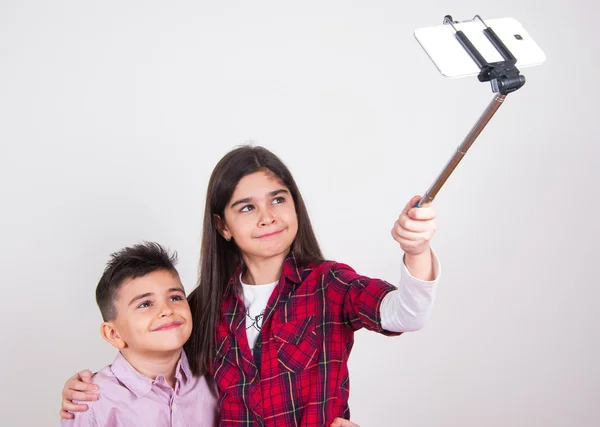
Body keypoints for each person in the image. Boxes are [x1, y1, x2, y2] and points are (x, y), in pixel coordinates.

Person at [61, 145, 440, 426]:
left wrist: (416, 249)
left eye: (278, 199)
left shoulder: (329, 284)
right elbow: (160, 365)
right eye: (246, 207)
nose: (267, 217)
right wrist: (93, 391)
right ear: (222, 226)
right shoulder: (205, 303)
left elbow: (406, 314)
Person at [61, 242, 218, 426]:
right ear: (113, 334)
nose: (167, 310)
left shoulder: (214, 378)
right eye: (145, 304)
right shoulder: (93, 402)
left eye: (175, 297)